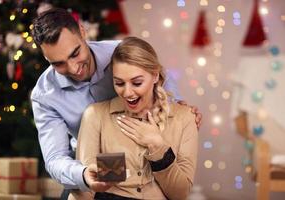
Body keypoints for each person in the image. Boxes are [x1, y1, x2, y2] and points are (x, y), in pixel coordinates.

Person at [30, 7, 201, 199]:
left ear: (83, 31)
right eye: (57, 63)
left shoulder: (122, 54)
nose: (73, 68)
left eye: (75, 53)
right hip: (88, 171)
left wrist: (178, 109)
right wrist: (84, 175)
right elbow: (55, 159)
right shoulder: (45, 95)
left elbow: (158, 77)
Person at [72, 37, 198, 200]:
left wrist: (157, 146)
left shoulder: (184, 118)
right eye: (119, 83)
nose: (128, 93)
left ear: (154, 76)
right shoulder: (96, 116)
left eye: (137, 83)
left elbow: (180, 195)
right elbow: (84, 191)